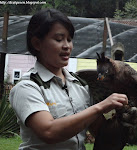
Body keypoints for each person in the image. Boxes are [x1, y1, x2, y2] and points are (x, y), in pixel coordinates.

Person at [9, 8, 128, 150]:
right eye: (59, 39)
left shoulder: (80, 85)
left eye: (69, 39)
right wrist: (100, 107)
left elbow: (101, 134)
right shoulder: (27, 87)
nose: (67, 46)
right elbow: (49, 132)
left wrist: (121, 121)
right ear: (37, 44)